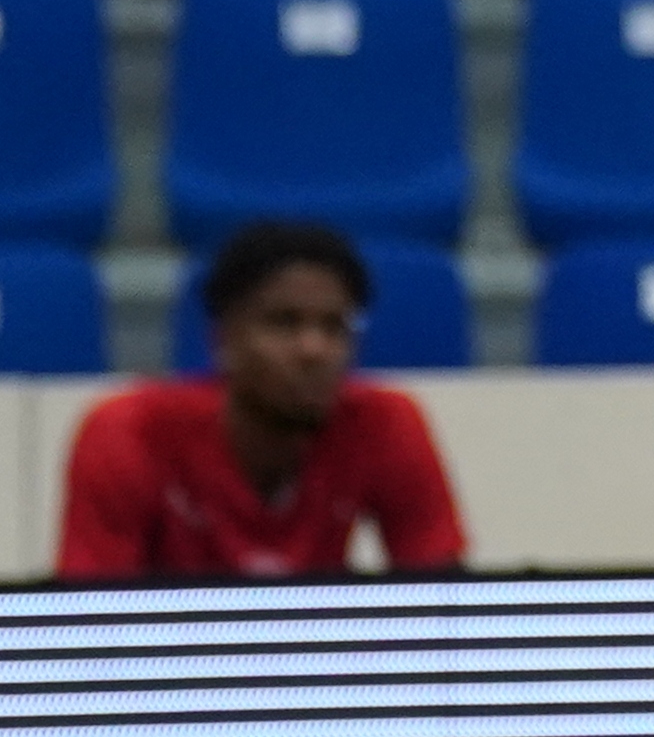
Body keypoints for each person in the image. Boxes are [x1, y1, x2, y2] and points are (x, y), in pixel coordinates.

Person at [54, 219, 466, 583]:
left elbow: (448, 615)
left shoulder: (385, 423)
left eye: (334, 326)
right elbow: (87, 628)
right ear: (222, 340)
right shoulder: (131, 431)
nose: (314, 349)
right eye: (284, 323)